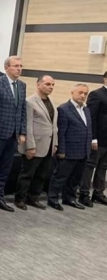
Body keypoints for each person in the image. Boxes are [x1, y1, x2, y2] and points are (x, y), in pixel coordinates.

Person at [0, 56, 26, 212]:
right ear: (7, 67)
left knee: (5, 168)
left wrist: (22, 132)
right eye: (16, 66)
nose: (19, 69)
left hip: (13, 134)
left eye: (20, 66)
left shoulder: (22, 85)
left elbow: (22, 110)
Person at [14, 75, 57, 210]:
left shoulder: (51, 102)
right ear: (38, 84)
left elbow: (53, 125)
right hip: (34, 145)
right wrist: (30, 146)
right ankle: (20, 198)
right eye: (48, 84)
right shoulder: (30, 101)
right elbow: (28, 126)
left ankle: (33, 197)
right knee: (27, 174)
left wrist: (55, 143)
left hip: (48, 145)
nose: (51, 87)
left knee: (41, 175)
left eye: (52, 85)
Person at [48, 84, 92, 211]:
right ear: (72, 93)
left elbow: (88, 129)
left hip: (83, 150)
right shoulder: (64, 109)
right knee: (60, 176)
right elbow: (61, 132)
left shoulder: (86, 110)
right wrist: (61, 150)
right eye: (80, 92)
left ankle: (69, 198)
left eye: (85, 93)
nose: (83, 95)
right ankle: (53, 199)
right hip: (69, 150)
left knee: (75, 177)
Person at [81, 71, 107, 206]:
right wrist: (93, 138)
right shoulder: (97, 94)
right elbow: (91, 118)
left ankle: (98, 193)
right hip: (98, 139)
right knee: (90, 166)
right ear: (105, 79)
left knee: (103, 167)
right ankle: (84, 193)